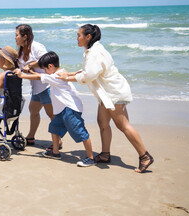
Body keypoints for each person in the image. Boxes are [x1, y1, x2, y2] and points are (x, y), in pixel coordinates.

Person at [56, 24, 154, 173]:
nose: (76, 38)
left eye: (78, 35)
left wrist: (68, 78)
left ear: (88, 37)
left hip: (114, 93)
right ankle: (105, 154)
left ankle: (145, 156)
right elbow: (89, 70)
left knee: (123, 125)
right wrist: (69, 74)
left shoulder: (94, 52)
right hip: (106, 94)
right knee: (102, 122)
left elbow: (89, 75)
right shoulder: (92, 50)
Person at [14, 51, 95, 167]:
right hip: (63, 109)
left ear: (51, 66)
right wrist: (31, 72)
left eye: (45, 69)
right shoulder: (61, 72)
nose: (45, 72)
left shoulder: (55, 76)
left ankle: (90, 157)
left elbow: (39, 76)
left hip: (70, 109)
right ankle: (55, 152)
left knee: (80, 131)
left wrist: (22, 75)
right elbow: (43, 75)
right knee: (54, 127)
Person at [15, 24, 61, 149]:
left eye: (17, 35)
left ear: (25, 36)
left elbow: (46, 61)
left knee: (51, 114)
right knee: (33, 111)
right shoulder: (22, 50)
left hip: (46, 86)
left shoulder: (37, 46)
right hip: (36, 88)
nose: (15, 38)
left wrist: (30, 65)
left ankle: (58, 142)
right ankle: (30, 137)